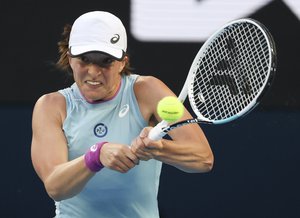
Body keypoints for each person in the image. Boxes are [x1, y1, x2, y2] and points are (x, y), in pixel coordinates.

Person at [31, 11, 214, 218]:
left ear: (122, 62)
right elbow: (56, 187)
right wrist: (96, 155)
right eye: (84, 59)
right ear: (70, 59)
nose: (93, 71)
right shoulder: (51, 106)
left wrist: (159, 148)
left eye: (105, 61)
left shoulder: (147, 90)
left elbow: (203, 159)